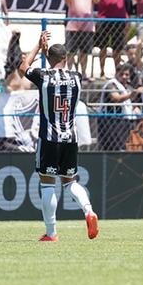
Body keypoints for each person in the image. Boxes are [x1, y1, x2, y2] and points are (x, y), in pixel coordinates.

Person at [21, 32, 98, 241]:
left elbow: (23, 68)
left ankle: (51, 232)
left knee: (47, 185)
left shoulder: (43, 76)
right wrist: (50, 54)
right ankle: (89, 211)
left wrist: (38, 47)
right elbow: (57, 65)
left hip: (49, 137)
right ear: (66, 58)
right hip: (69, 138)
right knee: (70, 182)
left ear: (49, 59)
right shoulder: (77, 78)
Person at [92, 0, 134, 78]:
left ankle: (117, 72)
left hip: (118, 18)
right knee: (103, 47)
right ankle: (102, 72)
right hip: (104, 18)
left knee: (117, 48)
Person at [65, 0, 99, 76]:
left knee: (85, 53)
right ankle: (69, 72)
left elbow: (97, 0)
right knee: (70, 52)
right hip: (73, 26)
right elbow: (67, 0)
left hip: (87, 27)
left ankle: (83, 74)